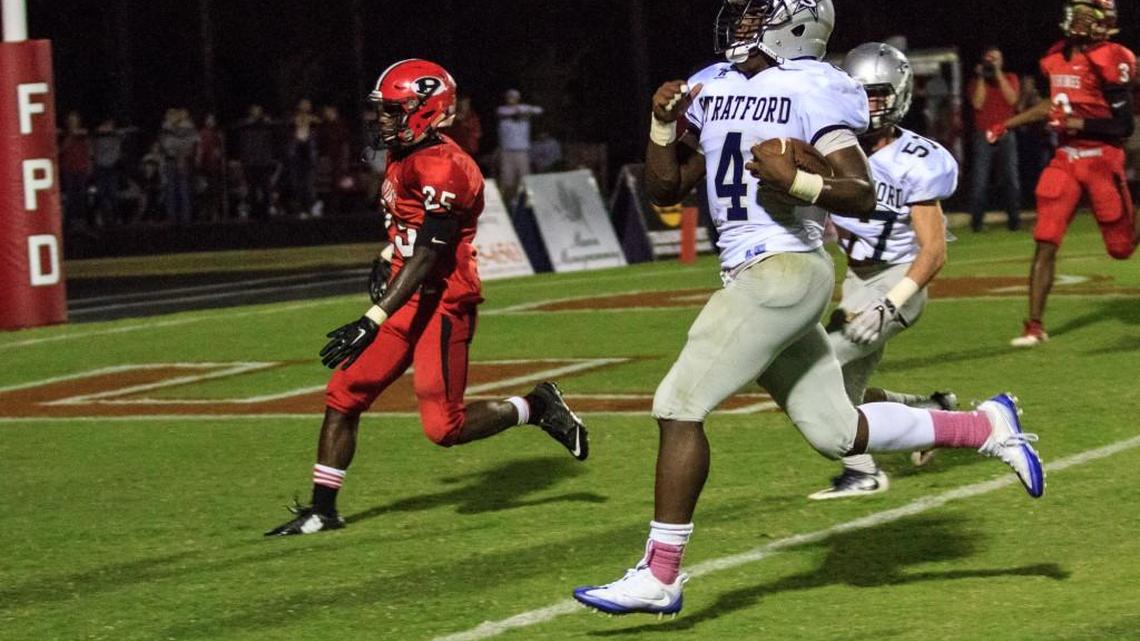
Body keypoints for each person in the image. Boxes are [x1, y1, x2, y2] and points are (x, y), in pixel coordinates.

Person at [572, 0, 1044, 617]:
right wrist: (661, 126)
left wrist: (797, 183)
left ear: (794, 25)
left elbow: (862, 192)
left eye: (754, 16)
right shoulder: (713, 83)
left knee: (678, 406)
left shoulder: (814, 87)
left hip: (783, 270)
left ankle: (661, 575)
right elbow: (667, 188)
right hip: (757, 272)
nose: (739, 26)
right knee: (837, 431)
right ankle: (985, 427)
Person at [266, 59, 590, 537]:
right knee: (344, 393)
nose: (382, 120)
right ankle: (322, 509)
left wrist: (372, 317)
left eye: (393, 110)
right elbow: (410, 225)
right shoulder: (406, 152)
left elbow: (428, 255)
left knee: (445, 428)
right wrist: (385, 250)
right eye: (382, 110)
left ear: (425, 110)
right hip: (409, 293)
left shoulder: (445, 165)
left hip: (442, 299)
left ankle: (536, 407)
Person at [809, 43, 961, 500]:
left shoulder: (915, 157)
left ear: (899, 95)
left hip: (900, 278)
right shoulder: (830, 147)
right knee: (848, 394)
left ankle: (862, 472)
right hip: (856, 279)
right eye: (859, 94)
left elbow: (933, 252)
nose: (867, 105)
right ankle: (934, 412)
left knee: (820, 370)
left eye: (877, 95)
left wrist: (890, 302)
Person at [988, 0, 1136, 347]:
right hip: (1067, 157)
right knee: (1045, 238)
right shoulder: (1056, 56)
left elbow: (1124, 125)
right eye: (1077, 12)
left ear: (1104, 23)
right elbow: (1052, 104)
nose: (1078, 19)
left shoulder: (1112, 58)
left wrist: (1076, 121)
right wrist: (1006, 124)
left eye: (1088, 14)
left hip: (1102, 157)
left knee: (1121, 248)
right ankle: (1034, 325)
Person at [968, 46, 1021, 232]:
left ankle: (1014, 220)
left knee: (1011, 178)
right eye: (990, 59)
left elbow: (1012, 100)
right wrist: (983, 75)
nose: (992, 62)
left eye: (996, 59)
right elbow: (977, 103)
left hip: (1005, 132)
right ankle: (977, 222)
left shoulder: (1011, 78)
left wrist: (997, 72)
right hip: (983, 134)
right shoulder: (976, 81)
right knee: (980, 180)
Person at [496, 89, 543, 203]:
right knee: (507, 179)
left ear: (518, 98)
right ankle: (506, 202)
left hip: (522, 151)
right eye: (510, 97)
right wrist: (520, 113)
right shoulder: (502, 110)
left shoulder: (524, 108)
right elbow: (503, 113)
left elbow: (539, 110)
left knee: (524, 177)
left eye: (514, 97)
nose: (512, 99)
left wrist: (525, 111)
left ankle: (524, 201)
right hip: (506, 151)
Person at [158, 108, 200, 224]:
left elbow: (188, 144)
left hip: (181, 160)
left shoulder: (185, 127)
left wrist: (181, 157)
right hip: (171, 160)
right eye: (168, 116)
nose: (170, 118)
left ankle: (185, 217)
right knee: (172, 189)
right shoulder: (166, 128)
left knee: (183, 188)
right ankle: (173, 217)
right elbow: (164, 145)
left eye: (172, 115)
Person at [59, 111, 92, 229]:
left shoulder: (83, 134)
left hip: (81, 168)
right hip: (68, 168)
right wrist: (69, 137)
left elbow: (89, 150)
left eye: (74, 119)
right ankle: (70, 220)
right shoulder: (63, 134)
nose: (73, 122)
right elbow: (60, 150)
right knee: (70, 195)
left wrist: (89, 165)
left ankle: (81, 219)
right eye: (70, 120)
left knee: (82, 195)